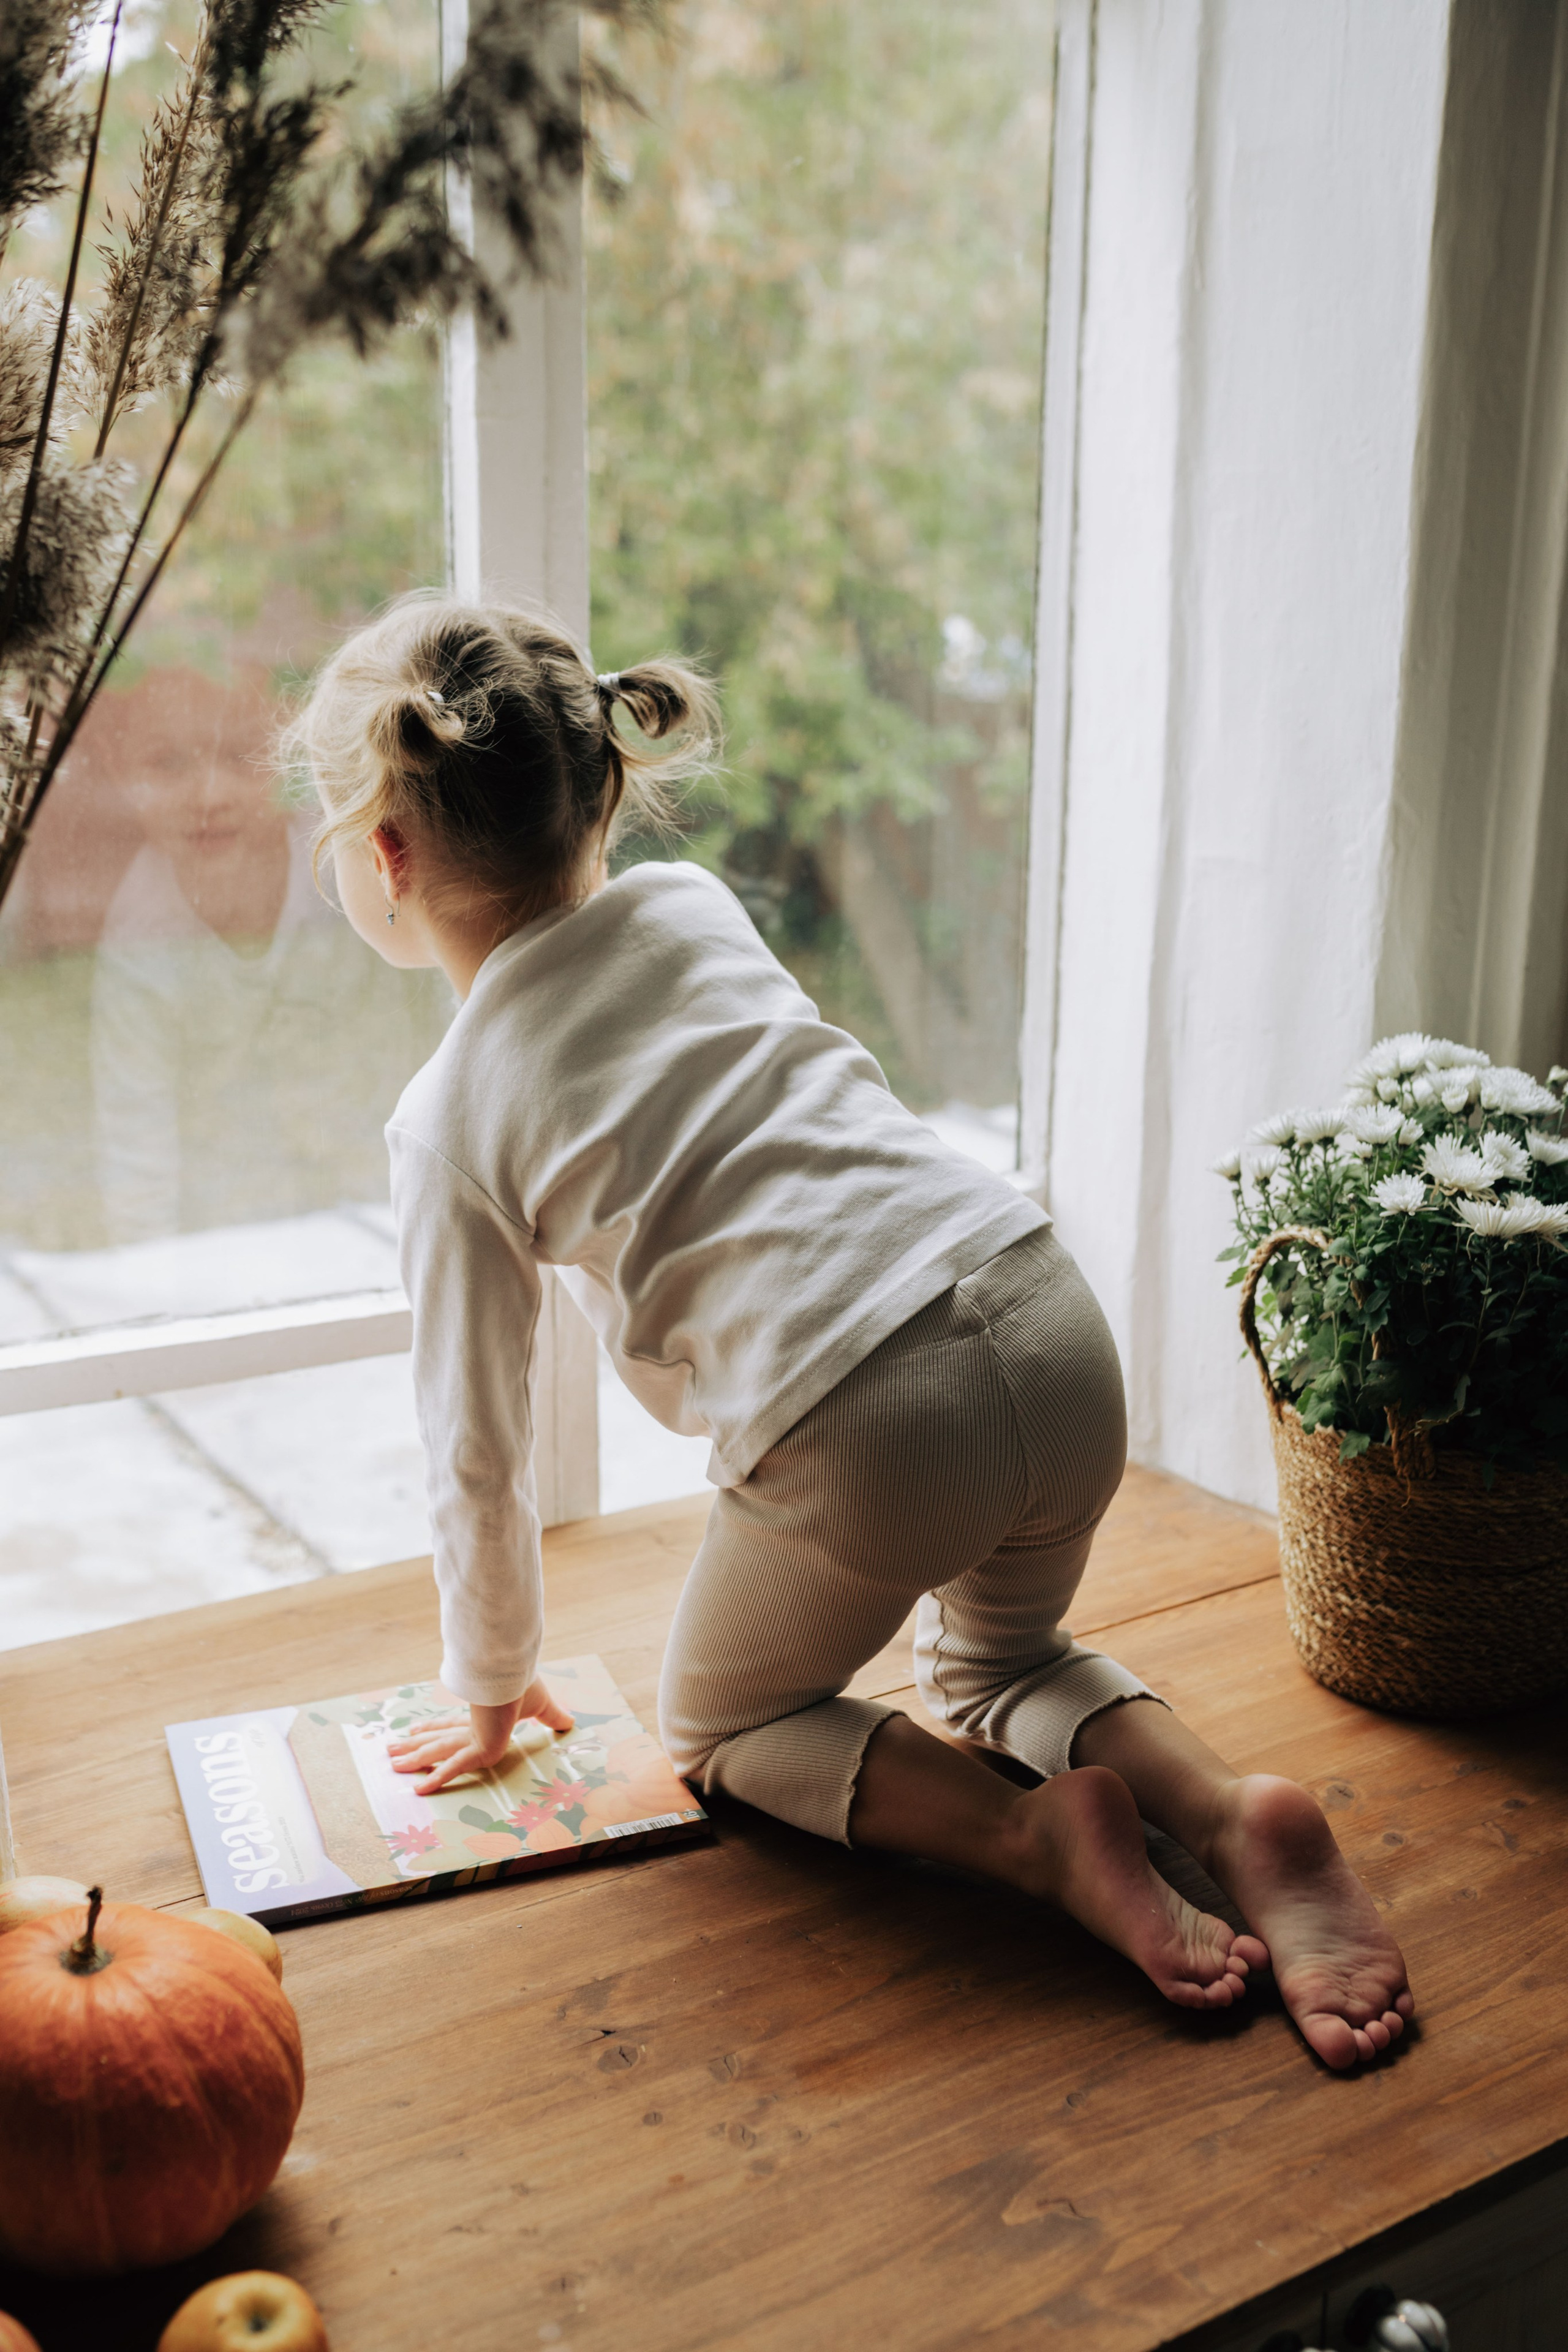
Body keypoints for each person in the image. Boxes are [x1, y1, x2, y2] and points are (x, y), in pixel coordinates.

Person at [292, 593, 1413, 2071]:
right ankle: (1225, 1811)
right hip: (1040, 1310)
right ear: (606, 787)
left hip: (866, 1423)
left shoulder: (446, 1119)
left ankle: (1033, 1846)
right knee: (1001, 1661)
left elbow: (475, 1450)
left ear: (383, 855)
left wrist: (492, 1684)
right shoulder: (694, 908)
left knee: (724, 1727)